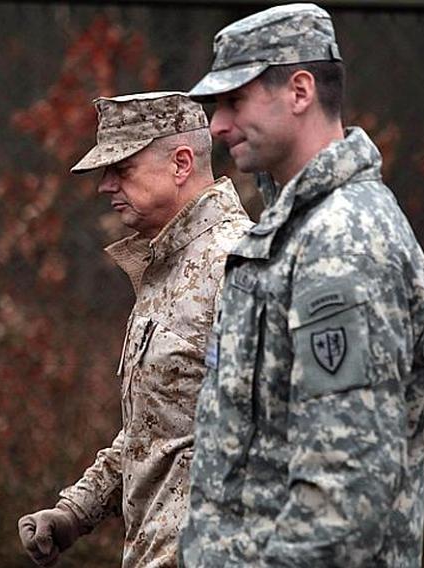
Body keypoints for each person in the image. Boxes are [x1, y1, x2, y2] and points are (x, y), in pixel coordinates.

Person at [178, 4, 424, 567]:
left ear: (300, 91)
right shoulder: (294, 230)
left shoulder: (340, 242)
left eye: (234, 101)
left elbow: (343, 494)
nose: (217, 126)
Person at [17, 91, 252, 568]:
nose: (106, 186)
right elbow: (160, 428)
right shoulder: (166, 266)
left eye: (121, 169)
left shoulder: (238, 265)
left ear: (181, 163)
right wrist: (74, 512)